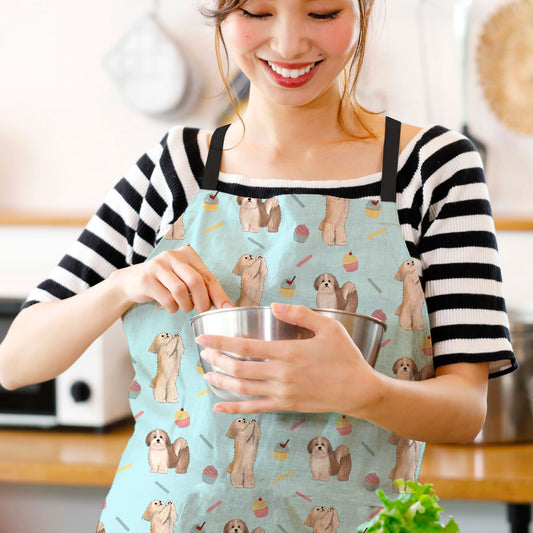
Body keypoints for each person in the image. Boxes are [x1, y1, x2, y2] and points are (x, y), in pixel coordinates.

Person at [0, 0, 517, 531]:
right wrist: (121, 285)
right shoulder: (175, 168)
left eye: (322, 13)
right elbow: (15, 361)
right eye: (256, 11)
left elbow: (465, 409)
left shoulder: (432, 169)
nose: (290, 44)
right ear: (221, 14)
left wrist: (364, 391)